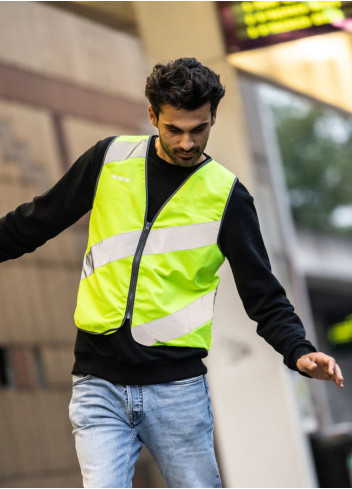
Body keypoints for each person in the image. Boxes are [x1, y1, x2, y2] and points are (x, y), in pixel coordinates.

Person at [0, 57, 344, 488]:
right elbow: (35, 221)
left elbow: (264, 294)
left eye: (198, 129)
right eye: (174, 129)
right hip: (98, 382)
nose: (186, 143)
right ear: (152, 116)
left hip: (176, 391)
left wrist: (297, 350)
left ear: (213, 117)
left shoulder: (227, 197)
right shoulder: (109, 160)